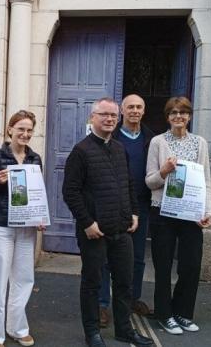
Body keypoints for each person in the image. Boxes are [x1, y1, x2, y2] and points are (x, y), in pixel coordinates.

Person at [63, 97, 154, 347]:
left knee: (124, 282)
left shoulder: (118, 149)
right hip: (94, 231)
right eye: (104, 115)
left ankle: (124, 330)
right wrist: (87, 223)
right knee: (92, 283)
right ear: (92, 117)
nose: (110, 119)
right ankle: (92, 332)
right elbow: (70, 192)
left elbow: (128, 184)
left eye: (114, 115)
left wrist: (134, 213)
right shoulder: (80, 152)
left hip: (122, 230)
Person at [145, 96, 211, 335]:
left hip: (191, 213)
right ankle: (165, 315)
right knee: (162, 266)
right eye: (173, 113)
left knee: (191, 265)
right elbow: (150, 181)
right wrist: (164, 171)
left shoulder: (200, 143)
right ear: (167, 117)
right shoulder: (157, 142)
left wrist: (207, 211)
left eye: (183, 112)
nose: (178, 117)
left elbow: (205, 181)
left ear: (189, 116)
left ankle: (183, 313)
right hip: (163, 211)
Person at [0, 110, 43, 347]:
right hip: (1, 227)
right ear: (10, 130)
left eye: (29, 130)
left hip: (26, 229)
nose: (25, 134)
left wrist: (40, 216)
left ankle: (17, 327)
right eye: (21, 129)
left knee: (24, 278)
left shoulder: (34, 158)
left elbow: (38, 193)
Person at [98, 94, 155, 328]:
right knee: (105, 257)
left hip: (141, 204)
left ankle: (132, 298)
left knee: (138, 257)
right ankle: (102, 304)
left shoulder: (152, 138)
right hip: (112, 204)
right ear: (122, 110)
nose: (134, 110)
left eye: (138, 107)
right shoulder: (111, 135)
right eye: (130, 107)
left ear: (143, 111)